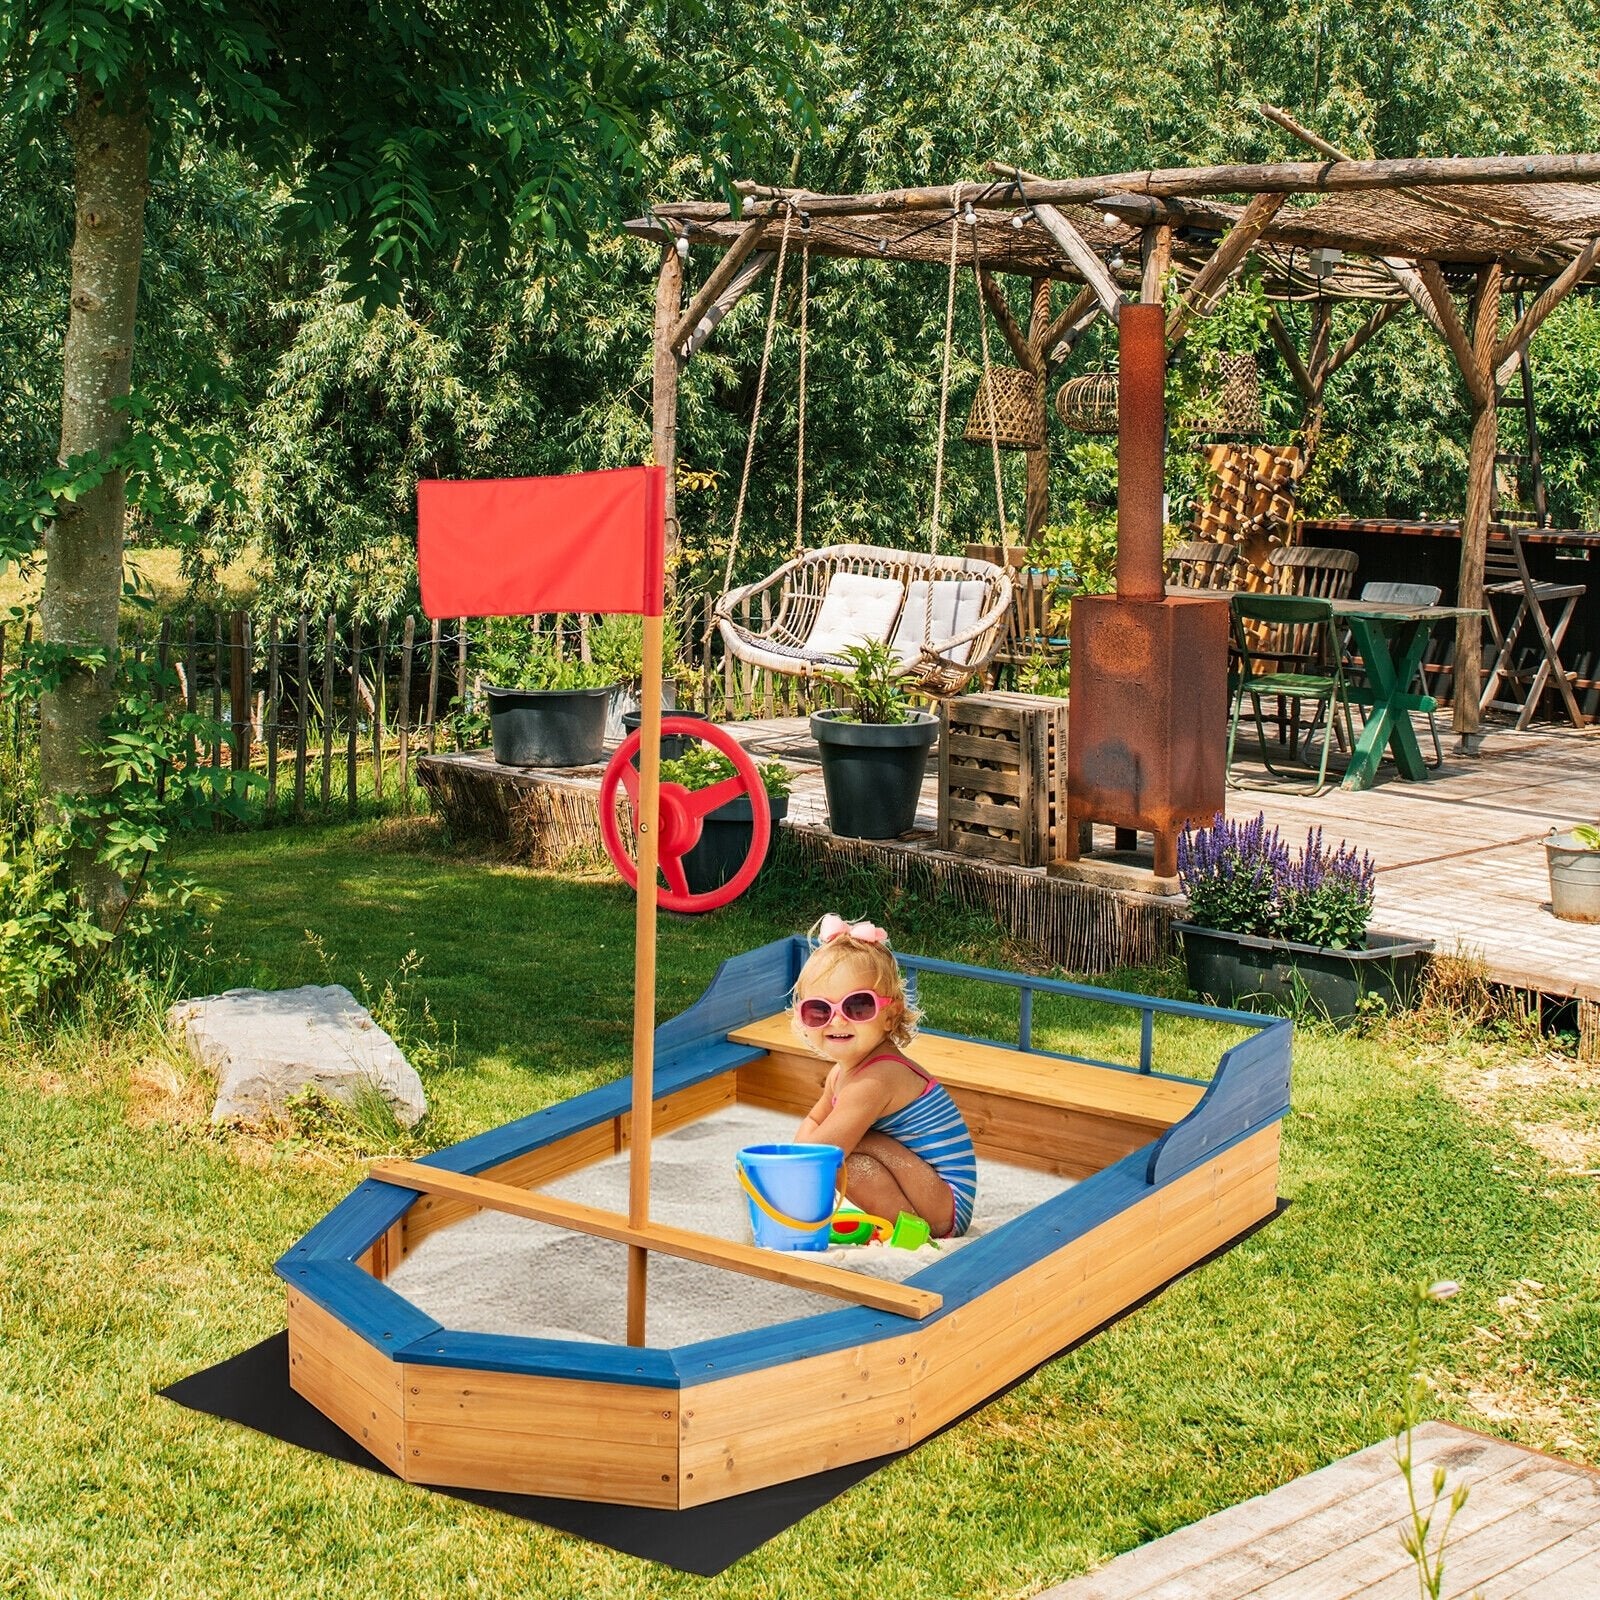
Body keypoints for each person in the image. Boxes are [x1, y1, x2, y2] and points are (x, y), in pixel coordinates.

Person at [792, 914, 976, 1238]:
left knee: (840, 1155)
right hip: (924, 1185)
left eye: (857, 1007)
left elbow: (823, 1152)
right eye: (820, 1010)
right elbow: (813, 1122)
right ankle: (898, 1223)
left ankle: (909, 1230)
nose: (836, 1022)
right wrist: (798, 1160)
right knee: (839, 1153)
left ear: (890, 1016)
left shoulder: (878, 1078)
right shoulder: (841, 1074)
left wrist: (790, 1176)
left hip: (946, 1202)